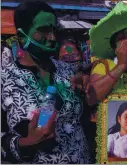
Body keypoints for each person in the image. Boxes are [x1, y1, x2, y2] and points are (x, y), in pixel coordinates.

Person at [1, 1, 93, 163]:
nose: (52, 38)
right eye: (43, 31)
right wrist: (25, 144)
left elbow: (84, 115)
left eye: (54, 30)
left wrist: (87, 85)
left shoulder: (68, 71)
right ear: (22, 36)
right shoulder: (5, 79)